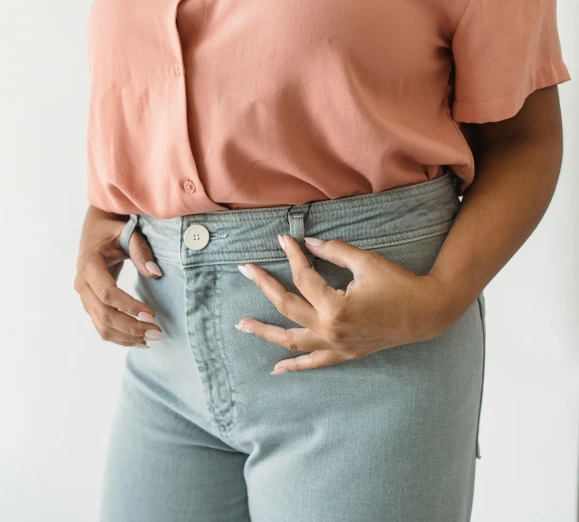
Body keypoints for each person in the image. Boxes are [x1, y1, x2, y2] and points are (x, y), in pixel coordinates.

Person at [74, 0, 571, 520]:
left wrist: (439, 298)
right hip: (166, 354)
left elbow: (523, 139)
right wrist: (104, 217)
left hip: (370, 352)